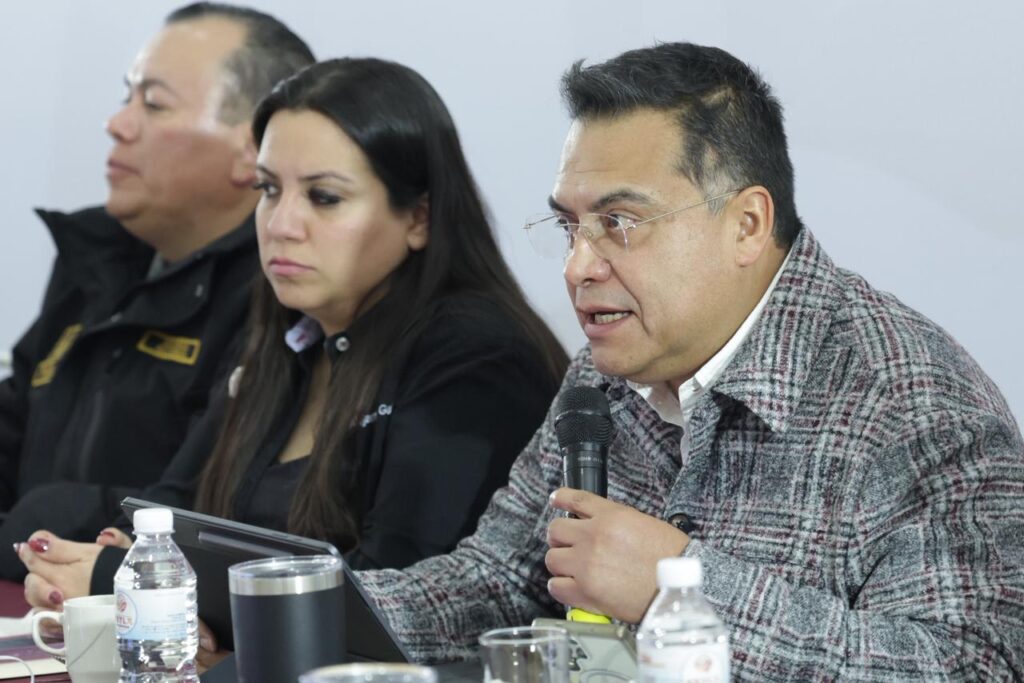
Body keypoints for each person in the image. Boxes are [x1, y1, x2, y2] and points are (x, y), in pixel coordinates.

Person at [337, 43, 1019, 678]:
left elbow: (974, 663)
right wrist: (310, 601)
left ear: (747, 225)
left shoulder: (913, 401)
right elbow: (496, 581)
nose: (577, 266)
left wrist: (680, 587)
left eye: (619, 223)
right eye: (571, 226)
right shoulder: (604, 372)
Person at [19, 57, 568, 618]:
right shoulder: (290, 333)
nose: (280, 225)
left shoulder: (476, 355)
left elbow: (402, 595)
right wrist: (114, 557)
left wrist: (142, 585)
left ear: (419, 218)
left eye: (324, 197)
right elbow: (176, 504)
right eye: (269, 189)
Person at [0, 4, 316, 580]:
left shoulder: (283, 296)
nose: (117, 124)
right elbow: (13, 421)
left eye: (153, 103)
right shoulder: (98, 257)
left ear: (255, 148)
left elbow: (199, 511)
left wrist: (38, 520)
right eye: (127, 97)